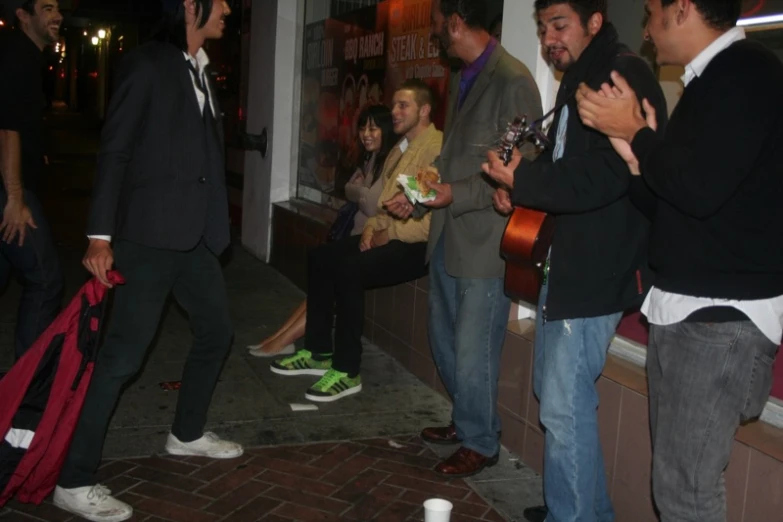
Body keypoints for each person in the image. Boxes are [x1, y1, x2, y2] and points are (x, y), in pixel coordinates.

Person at [576, 1, 783, 520]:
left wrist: (639, 134)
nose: (646, 30)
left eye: (650, 12)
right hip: (689, 309)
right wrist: (633, 156)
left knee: (684, 490)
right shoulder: (711, 79)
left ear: (682, 8)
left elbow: (698, 189)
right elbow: (675, 206)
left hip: (721, 317)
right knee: (674, 482)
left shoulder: (747, 71)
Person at [53, 1, 241, 521]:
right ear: (189, 6)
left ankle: (185, 433)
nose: (227, 8)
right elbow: (115, 149)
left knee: (216, 331)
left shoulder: (201, 71)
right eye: (218, 0)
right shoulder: (148, 63)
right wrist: (99, 235)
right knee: (121, 360)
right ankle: (74, 479)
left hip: (193, 241)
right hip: (147, 239)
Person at [483, 1, 667, 519]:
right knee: (555, 395)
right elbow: (569, 166)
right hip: (571, 264)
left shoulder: (619, 76)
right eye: (542, 28)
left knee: (563, 405)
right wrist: (521, 187)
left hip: (595, 267)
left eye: (558, 26)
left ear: (594, 21)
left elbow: (608, 176)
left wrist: (525, 180)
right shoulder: (580, 78)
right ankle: (575, 505)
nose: (548, 39)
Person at [385, 0, 542, 478]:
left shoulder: (513, 79)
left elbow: (524, 167)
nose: (434, 35)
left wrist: (456, 193)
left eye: (436, 26)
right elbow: (461, 160)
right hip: (447, 235)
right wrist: (422, 192)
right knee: (444, 341)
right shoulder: (464, 76)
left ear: (455, 22)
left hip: (484, 243)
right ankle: (468, 420)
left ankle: (481, 441)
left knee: (474, 352)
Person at [270, 79, 442, 403]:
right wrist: (370, 229)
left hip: (415, 247)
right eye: (394, 105)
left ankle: (347, 371)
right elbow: (383, 205)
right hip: (387, 235)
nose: (394, 111)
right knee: (321, 258)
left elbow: (429, 223)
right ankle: (318, 352)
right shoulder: (400, 150)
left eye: (403, 105)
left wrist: (385, 233)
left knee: (348, 268)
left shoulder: (435, 149)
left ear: (424, 110)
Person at [248, 104, 397, 357]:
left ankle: (282, 342)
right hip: (353, 237)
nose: (366, 134)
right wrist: (361, 192)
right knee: (316, 291)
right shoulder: (370, 158)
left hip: (366, 241)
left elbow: (372, 204)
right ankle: (279, 338)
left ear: (386, 129)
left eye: (373, 128)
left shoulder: (391, 159)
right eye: (363, 127)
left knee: (325, 289)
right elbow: (348, 189)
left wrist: (359, 191)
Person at [0, 0, 64, 360]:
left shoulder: (25, 55)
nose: (57, 17)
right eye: (48, 8)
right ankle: (29, 388)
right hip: (8, 190)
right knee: (45, 279)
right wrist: (14, 197)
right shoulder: (17, 56)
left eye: (58, 9)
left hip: (13, 183)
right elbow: (7, 127)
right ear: (23, 15)